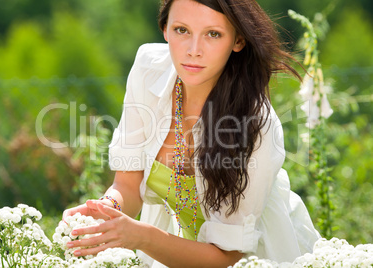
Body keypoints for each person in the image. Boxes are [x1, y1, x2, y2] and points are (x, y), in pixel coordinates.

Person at [63, 0, 321, 267]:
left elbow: (227, 257)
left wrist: (141, 237)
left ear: (238, 40)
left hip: (260, 257)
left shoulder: (257, 123)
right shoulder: (148, 70)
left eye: (213, 34)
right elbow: (128, 184)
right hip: (173, 248)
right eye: (182, 30)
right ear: (164, 30)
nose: (193, 50)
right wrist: (105, 210)